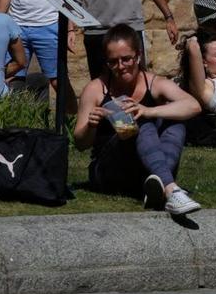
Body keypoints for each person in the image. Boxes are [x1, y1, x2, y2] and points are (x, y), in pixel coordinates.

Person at [74, 24, 202, 215]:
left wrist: (148, 110)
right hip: (108, 168)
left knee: (174, 121)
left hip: (143, 166)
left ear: (138, 56)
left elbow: (193, 105)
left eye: (126, 59)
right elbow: (80, 143)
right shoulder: (96, 89)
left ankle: (158, 185)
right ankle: (171, 189)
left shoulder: (154, 82)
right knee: (139, 122)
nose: (120, 66)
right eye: (113, 62)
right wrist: (91, 125)